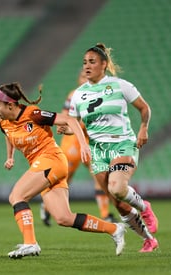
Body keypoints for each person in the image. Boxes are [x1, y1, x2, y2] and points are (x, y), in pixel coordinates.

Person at [0, 82, 126, 258]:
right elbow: (9, 135)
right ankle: (115, 229)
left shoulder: (33, 114)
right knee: (64, 218)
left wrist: (83, 145)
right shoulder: (3, 122)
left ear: (10, 105)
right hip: (45, 165)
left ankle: (30, 243)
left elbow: (69, 120)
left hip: (51, 159)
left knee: (17, 196)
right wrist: (10, 157)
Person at [66, 43, 159, 253]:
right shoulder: (78, 95)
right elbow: (74, 124)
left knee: (117, 187)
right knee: (118, 203)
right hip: (98, 150)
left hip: (122, 143)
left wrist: (143, 128)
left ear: (104, 64)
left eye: (92, 62)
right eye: (84, 63)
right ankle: (149, 240)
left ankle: (144, 208)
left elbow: (144, 108)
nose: (86, 66)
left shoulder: (120, 85)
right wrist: (67, 129)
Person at [40, 71, 117, 227]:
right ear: (78, 79)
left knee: (100, 177)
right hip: (72, 142)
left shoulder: (100, 94)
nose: (86, 78)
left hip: (92, 142)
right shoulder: (74, 95)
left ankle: (105, 215)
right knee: (63, 180)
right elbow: (64, 118)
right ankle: (47, 206)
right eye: (83, 76)